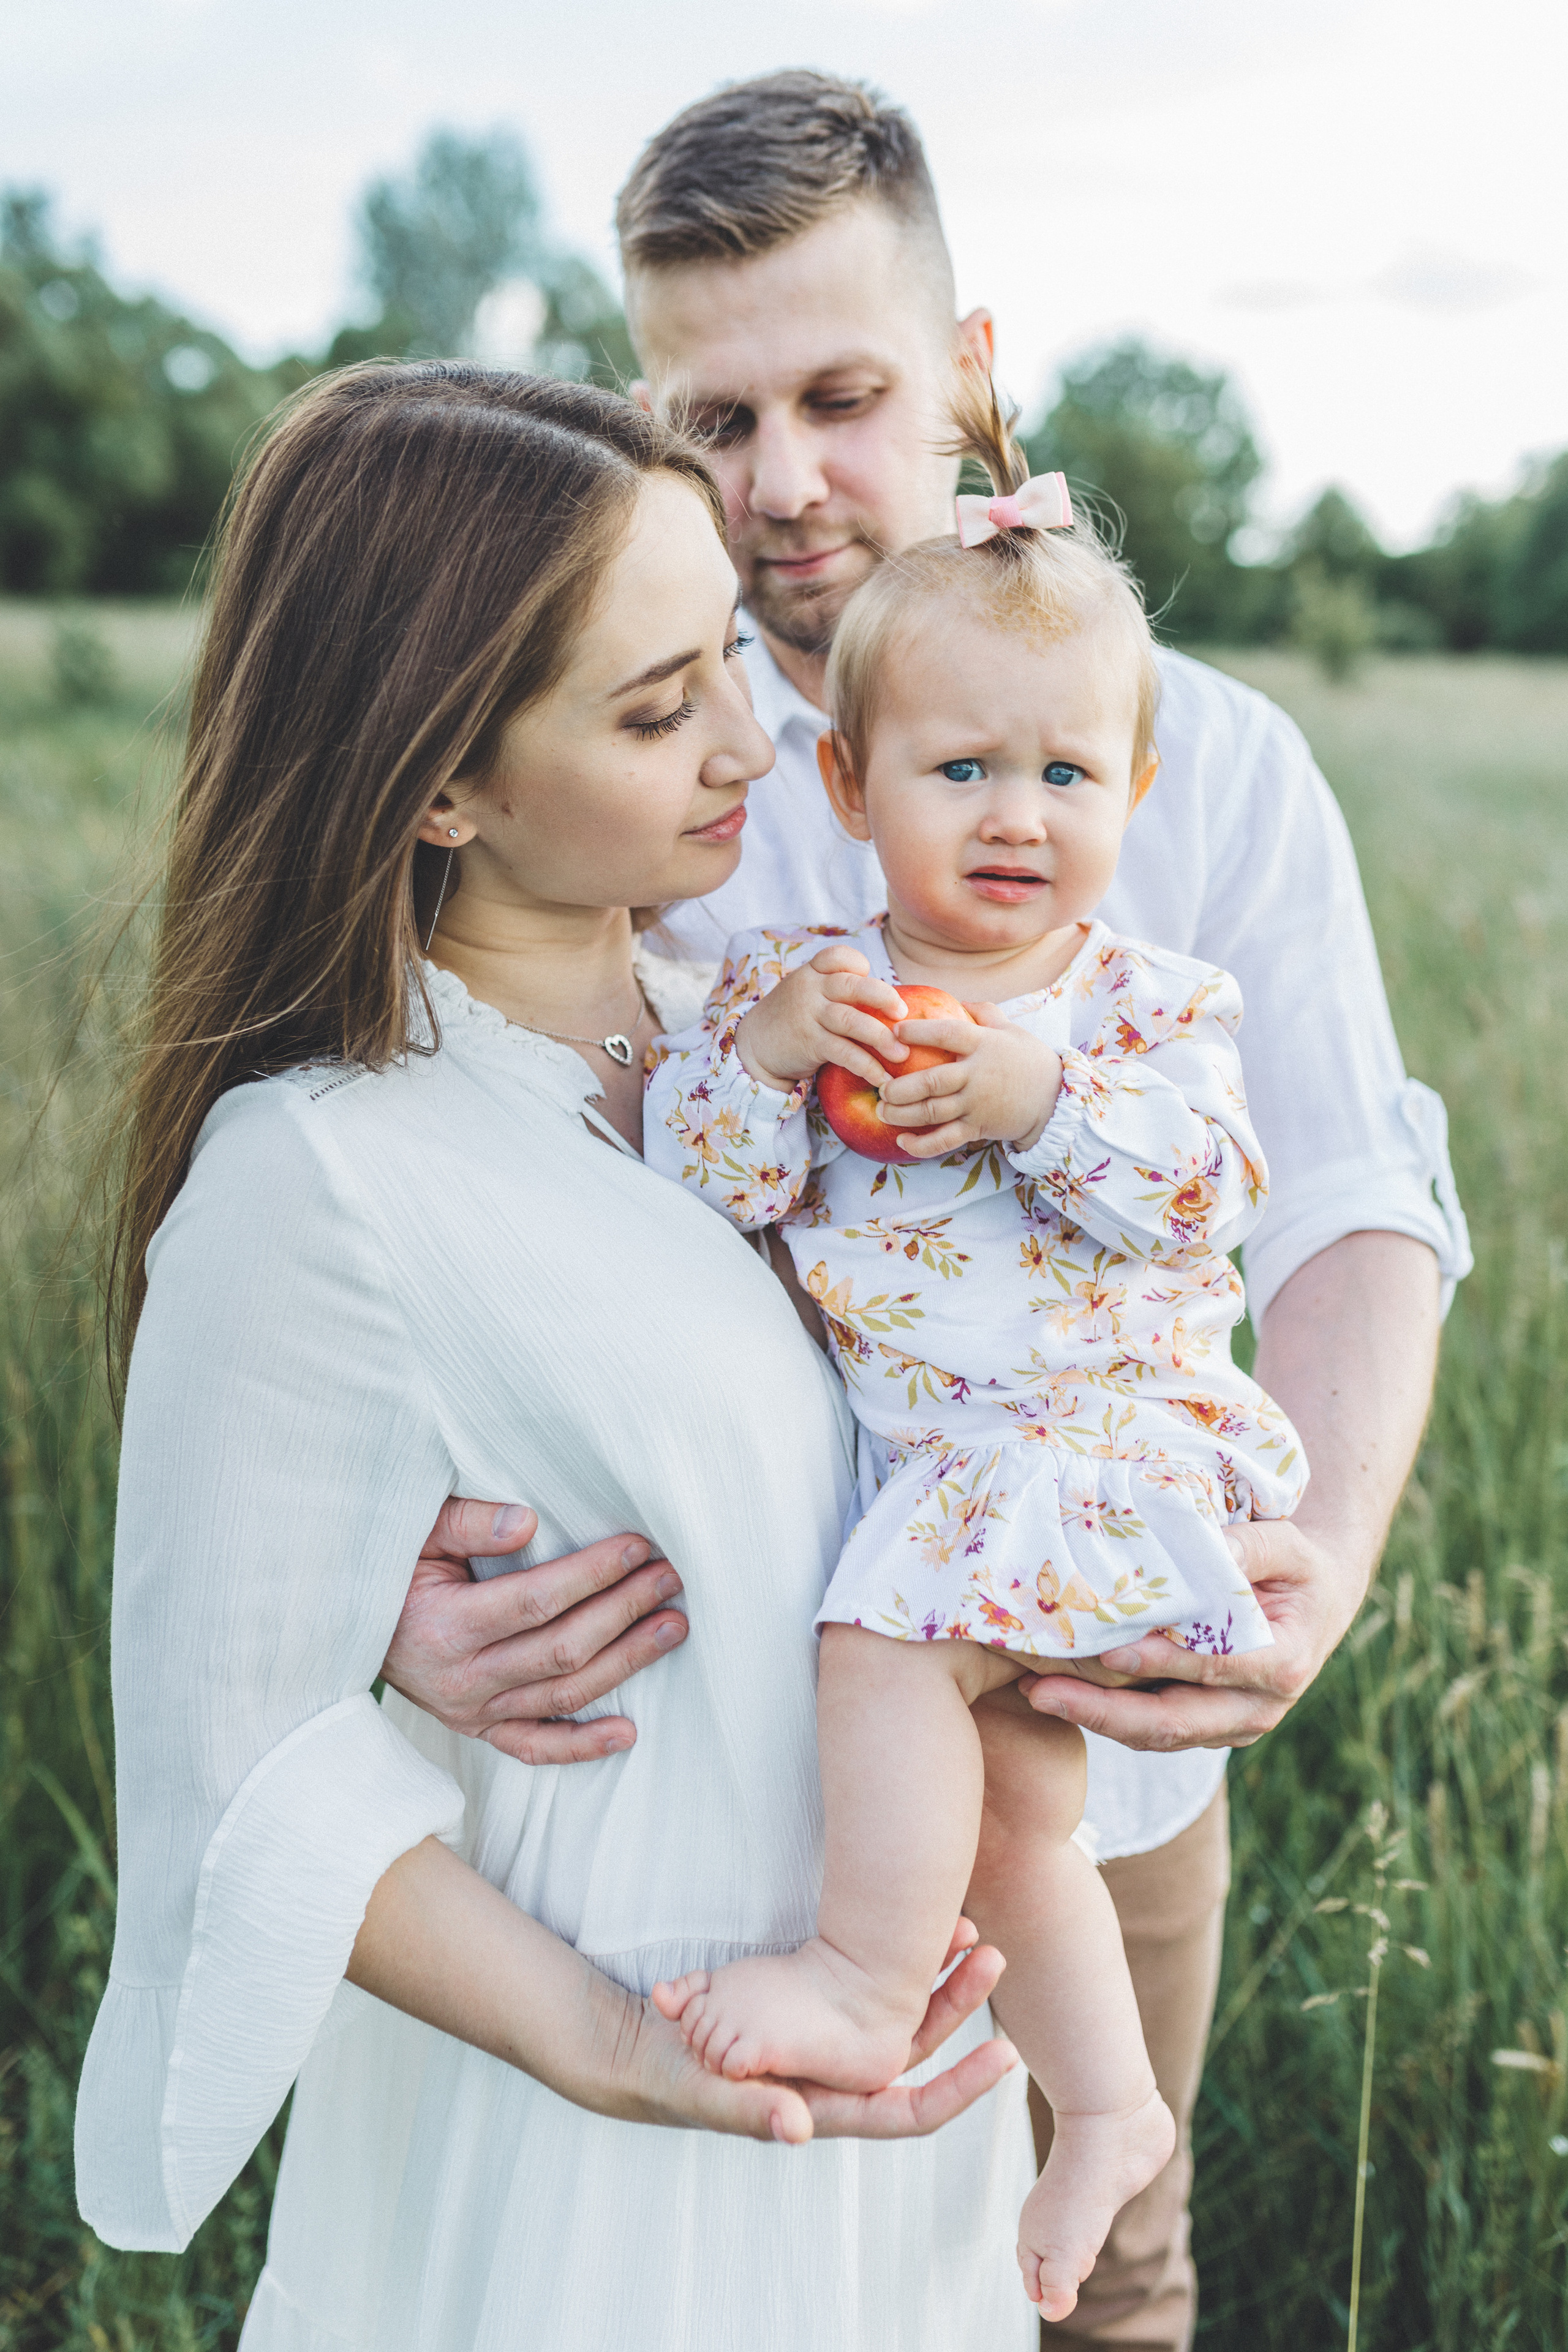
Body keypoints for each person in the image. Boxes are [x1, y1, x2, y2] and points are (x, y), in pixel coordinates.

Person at [377, 72, 1471, 2348]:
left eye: (845, 396)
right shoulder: (583, 775)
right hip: (672, 1788)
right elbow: (430, 1219)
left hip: (1092, 1714)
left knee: (1096, 2279)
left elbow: (1343, 1196)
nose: (784, 480)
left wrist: (1326, 1570)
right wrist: (381, 1588)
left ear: (967, 371)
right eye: (720, 414)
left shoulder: (1204, 767)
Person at [74, 363, 1035, 2350]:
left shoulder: (774, 1044)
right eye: (653, 707)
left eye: (729, 668)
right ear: (439, 784)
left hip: (900, 2064)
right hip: (606, 2122)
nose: (753, 752)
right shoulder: (324, 1173)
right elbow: (236, 1773)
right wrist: (613, 2051)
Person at [643, 380, 1314, 2316]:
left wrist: (1037, 1097)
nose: (1018, 817)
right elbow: (707, 1189)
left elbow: (1213, 1187)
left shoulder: (1145, 1011)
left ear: (1136, 794)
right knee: (1019, 1806)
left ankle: (866, 1981)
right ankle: (1105, 2103)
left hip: (1102, 1448)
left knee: (876, 1647)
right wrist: (763, 1066)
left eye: (1068, 777)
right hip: (961, 1482)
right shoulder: (811, 990)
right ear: (849, 786)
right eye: (958, 773)